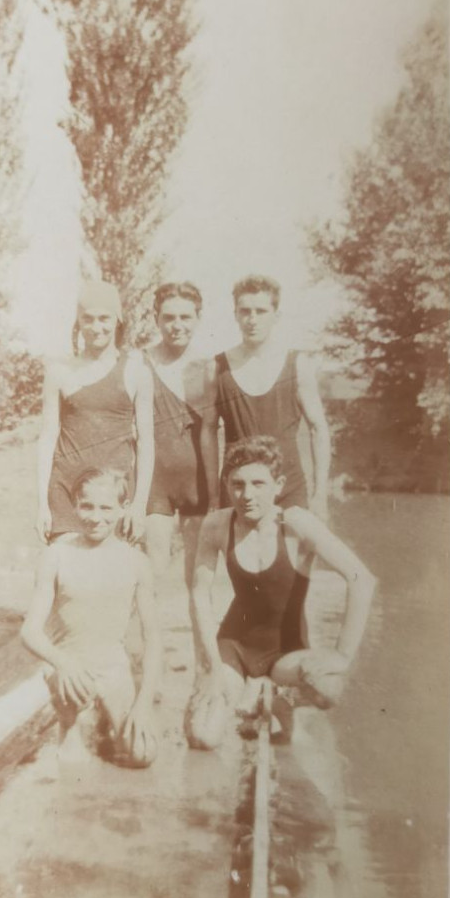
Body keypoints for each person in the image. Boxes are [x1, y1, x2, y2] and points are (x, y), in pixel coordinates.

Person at [187, 436, 375, 749]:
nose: (247, 495)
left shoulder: (297, 523)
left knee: (329, 687)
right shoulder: (217, 525)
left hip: (286, 651)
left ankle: (280, 696)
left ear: (279, 484)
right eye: (238, 484)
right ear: (227, 485)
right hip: (235, 645)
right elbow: (199, 595)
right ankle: (246, 693)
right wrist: (212, 667)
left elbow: (362, 579)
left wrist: (342, 655)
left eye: (259, 484)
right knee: (202, 737)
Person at [21, 467, 161, 768]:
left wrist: (144, 703)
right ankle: (69, 726)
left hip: (112, 667)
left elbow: (154, 639)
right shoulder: (56, 555)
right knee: (73, 764)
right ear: (75, 505)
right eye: (87, 506)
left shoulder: (136, 561)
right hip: (69, 669)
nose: (95, 517)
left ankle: (104, 716)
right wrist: (62, 662)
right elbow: (30, 632)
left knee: (142, 754)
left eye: (106, 508)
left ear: (123, 509)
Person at [36, 280, 154, 543]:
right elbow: (47, 438)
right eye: (87, 319)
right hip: (66, 493)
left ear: (118, 320)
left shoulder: (136, 371)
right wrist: (42, 503)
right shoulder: (59, 371)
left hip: (114, 495)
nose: (96, 327)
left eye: (104, 318)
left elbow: (147, 442)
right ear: (78, 322)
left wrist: (139, 505)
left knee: (112, 578)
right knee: (66, 576)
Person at [215, 275, 330, 518]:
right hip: (239, 490)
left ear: (276, 315)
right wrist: (213, 494)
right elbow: (205, 433)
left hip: (287, 488)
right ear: (235, 314)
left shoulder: (298, 365)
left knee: (293, 555)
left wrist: (320, 495)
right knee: (237, 556)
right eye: (245, 311)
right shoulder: (218, 367)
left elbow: (319, 429)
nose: (252, 319)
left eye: (261, 311)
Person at [143, 282, 219, 649]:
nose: (177, 325)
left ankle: (205, 673)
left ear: (198, 319)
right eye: (168, 317)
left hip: (197, 485)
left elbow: (212, 434)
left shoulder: (208, 368)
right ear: (156, 319)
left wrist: (216, 496)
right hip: (153, 484)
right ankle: (145, 667)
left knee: (198, 583)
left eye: (185, 317)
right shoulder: (139, 363)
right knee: (150, 577)